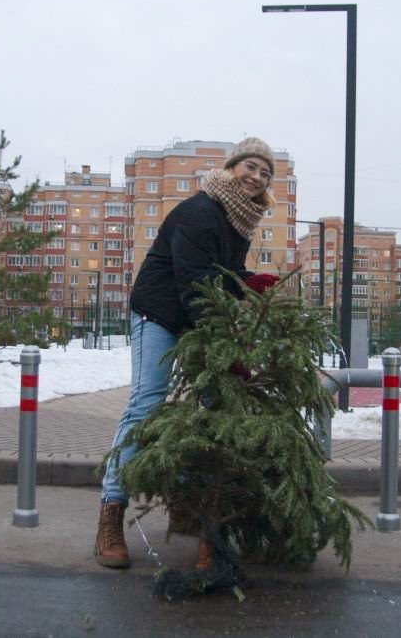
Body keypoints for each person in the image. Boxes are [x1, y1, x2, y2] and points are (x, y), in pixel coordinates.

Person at [95, 137, 281, 569]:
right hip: (159, 314)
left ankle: (193, 508)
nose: (257, 177)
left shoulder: (237, 218)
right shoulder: (201, 212)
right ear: (232, 167)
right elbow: (196, 285)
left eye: (266, 173)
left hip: (193, 314)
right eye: (250, 167)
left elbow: (225, 275)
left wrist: (253, 282)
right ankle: (110, 513)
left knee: (211, 409)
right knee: (146, 404)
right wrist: (224, 353)